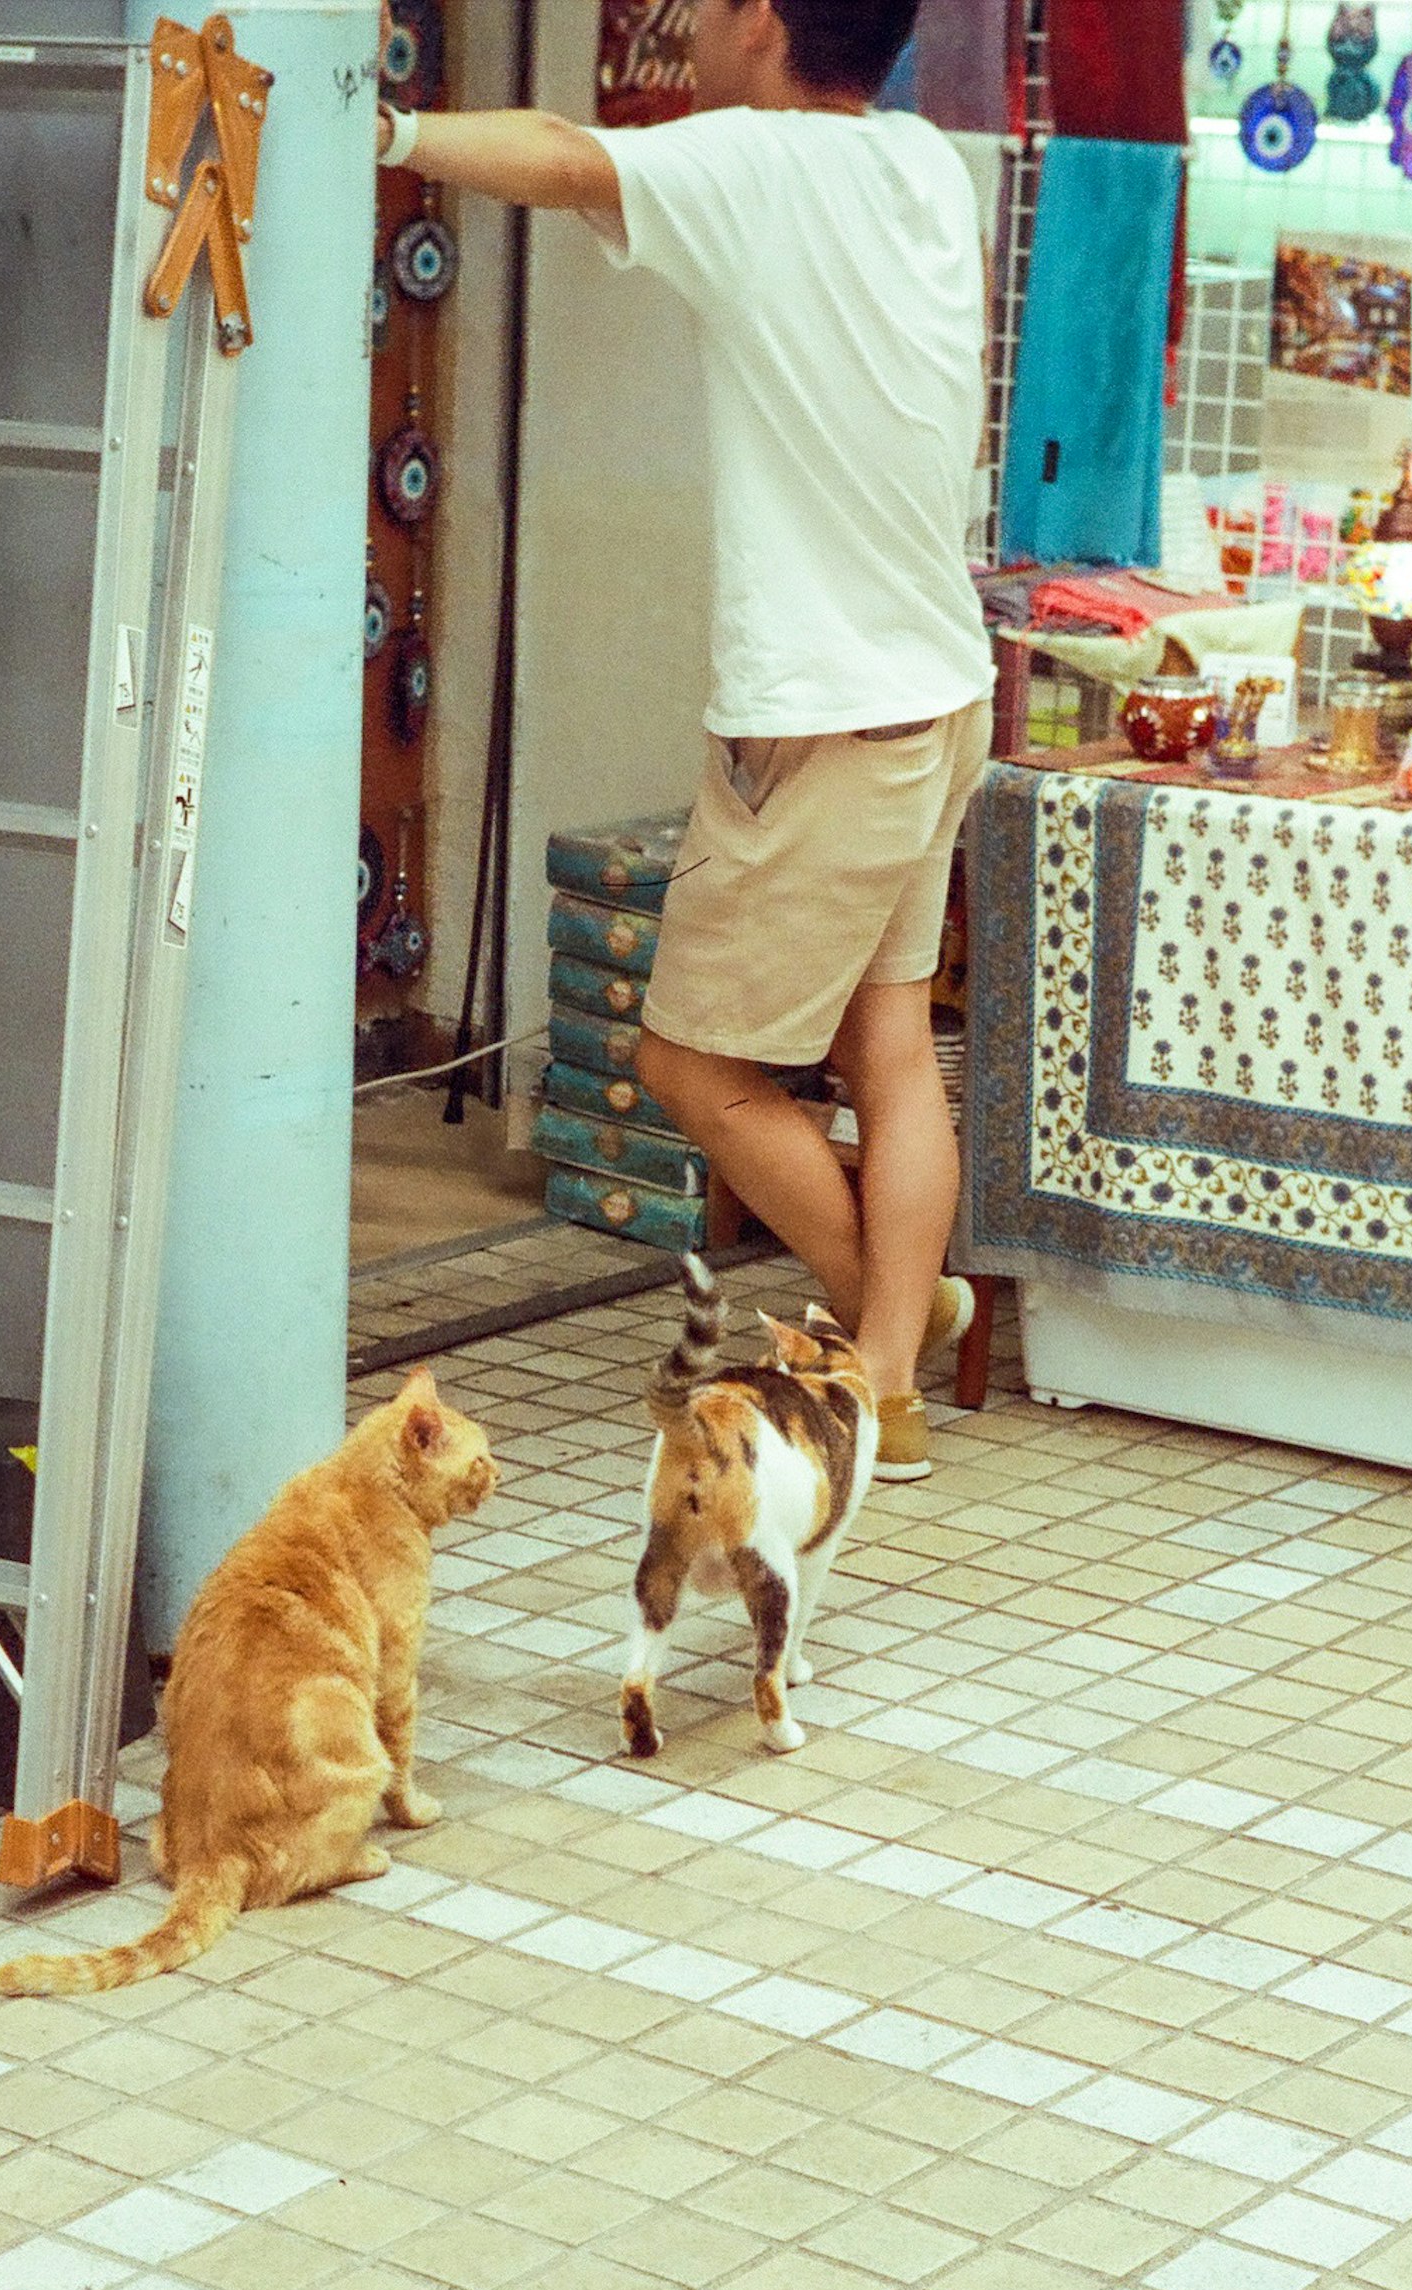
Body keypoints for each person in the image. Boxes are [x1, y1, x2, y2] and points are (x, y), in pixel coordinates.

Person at [383, 0, 992, 1480]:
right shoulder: (926, 169)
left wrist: (382, 127)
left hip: (821, 721)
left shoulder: (760, 165)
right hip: (939, 687)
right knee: (892, 1047)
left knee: (688, 1068)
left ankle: (884, 1350)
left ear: (765, 24)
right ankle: (896, 1357)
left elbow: (554, 153)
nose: (688, 25)